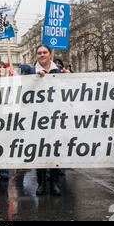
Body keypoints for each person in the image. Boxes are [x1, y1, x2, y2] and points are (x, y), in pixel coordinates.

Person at [32, 44, 70, 196]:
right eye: (39, 53)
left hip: (56, 118)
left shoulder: (59, 71)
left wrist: (70, 76)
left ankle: (54, 183)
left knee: (54, 151)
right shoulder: (29, 71)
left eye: (44, 52)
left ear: (49, 54)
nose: (42, 55)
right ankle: (41, 183)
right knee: (39, 152)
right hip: (37, 119)